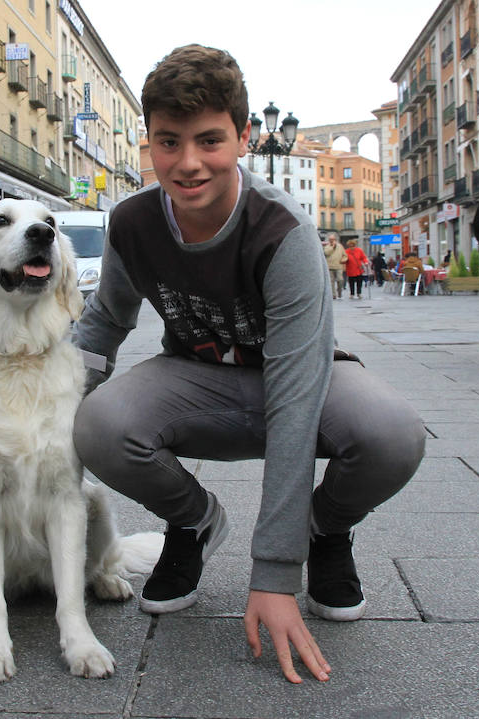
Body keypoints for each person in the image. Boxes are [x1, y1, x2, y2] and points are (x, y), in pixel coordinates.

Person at [72, 44, 425, 684]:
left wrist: (275, 572)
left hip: (297, 380)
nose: (187, 163)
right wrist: (48, 416)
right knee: (97, 424)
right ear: (147, 142)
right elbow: (104, 324)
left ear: (241, 137)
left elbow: (294, 401)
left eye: (209, 140)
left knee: (393, 434)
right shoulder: (131, 224)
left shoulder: (280, 231)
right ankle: (194, 522)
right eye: (168, 142)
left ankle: (326, 530)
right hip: (198, 382)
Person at [322, 231, 347, 299]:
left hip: (339, 266)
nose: (331, 240)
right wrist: (333, 247)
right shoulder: (327, 247)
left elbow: (345, 255)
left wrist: (343, 260)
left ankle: (339, 292)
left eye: (333, 239)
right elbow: (326, 253)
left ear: (335, 239)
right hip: (329, 266)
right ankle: (333, 294)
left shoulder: (340, 246)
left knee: (340, 280)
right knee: (331, 282)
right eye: (330, 239)